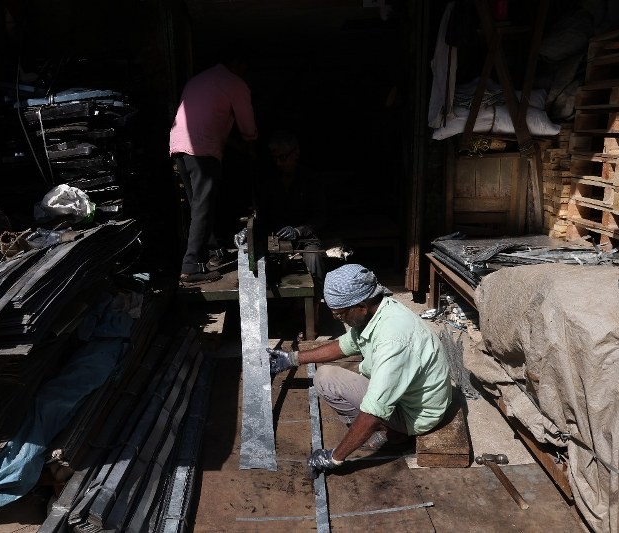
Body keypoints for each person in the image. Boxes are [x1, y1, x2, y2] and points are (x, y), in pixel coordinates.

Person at [266, 263, 452, 476]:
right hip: (410, 396)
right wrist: (292, 359)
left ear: (361, 306)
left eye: (340, 314)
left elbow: (374, 411)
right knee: (325, 376)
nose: (339, 319)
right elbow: (345, 345)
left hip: (417, 414)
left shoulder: (393, 340)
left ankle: (397, 435)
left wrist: (335, 457)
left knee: (331, 383)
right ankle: (391, 429)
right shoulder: (380, 310)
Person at [170, 49, 258, 284]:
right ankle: (190, 267)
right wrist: (252, 146)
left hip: (179, 145)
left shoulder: (200, 79)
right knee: (203, 205)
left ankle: (209, 251)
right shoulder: (234, 83)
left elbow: (211, 122)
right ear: (238, 64)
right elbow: (247, 124)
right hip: (201, 148)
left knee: (197, 204)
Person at [263, 131, 327, 325]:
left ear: (295, 153)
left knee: (314, 259)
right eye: (275, 158)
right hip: (277, 237)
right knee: (265, 264)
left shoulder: (311, 179)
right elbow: (263, 214)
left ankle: (313, 316)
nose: (279, 163)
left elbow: (322, 216)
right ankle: (277, 315)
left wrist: (299, 230)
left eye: (283, 157)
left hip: (306, 237)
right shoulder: (269, 180)